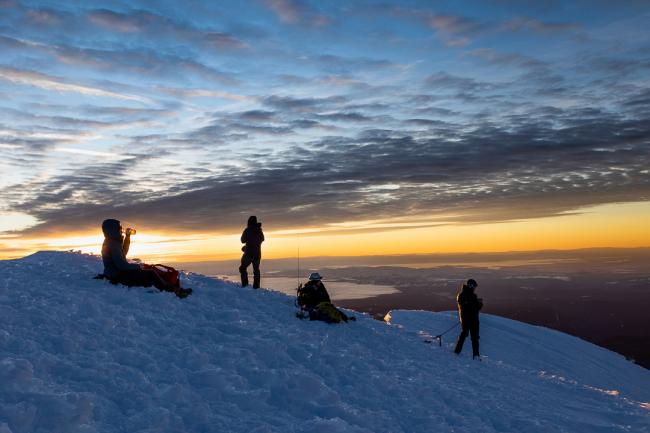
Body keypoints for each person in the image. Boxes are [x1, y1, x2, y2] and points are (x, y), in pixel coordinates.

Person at [100, 218, 192, 298]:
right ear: (112, 230)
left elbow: (123, 254)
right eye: (119, 228)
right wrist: (138, 266)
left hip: (116, 273)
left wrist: (127, 237)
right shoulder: (113, 244)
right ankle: (172, 290)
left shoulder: (112, 242)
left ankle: (171, 287)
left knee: (147, 273)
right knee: (150, 274)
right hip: (117, 276)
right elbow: (122, 265)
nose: (121, 230)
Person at [454, 278, 483, 359]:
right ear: (470, 286)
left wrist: (479, 303)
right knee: (470, 336)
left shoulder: (463, 295)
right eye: (474, 286)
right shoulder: (463, 295)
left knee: (469, 336)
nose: (474, 288)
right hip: (470, 319)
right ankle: (475, 355)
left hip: (469, 319)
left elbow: (475, 307)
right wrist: (479, 303)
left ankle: (458, 351)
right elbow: (472, 307)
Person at [239, 215, 264, 288]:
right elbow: (262, 239)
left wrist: (247, 247)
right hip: (257, 254)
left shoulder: (247, 230)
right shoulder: (259, 230)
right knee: (256, 270)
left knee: (242, 268)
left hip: (248, 254)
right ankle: (256, 287)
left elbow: (242, 240)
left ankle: (245, 285)